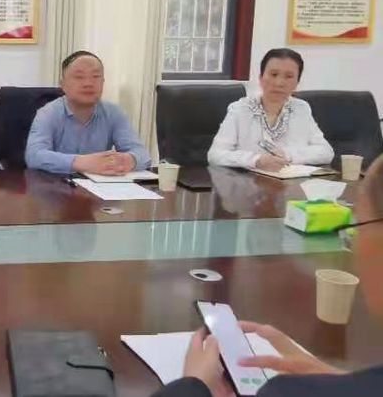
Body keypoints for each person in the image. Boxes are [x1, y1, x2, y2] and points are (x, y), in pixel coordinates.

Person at [153, 152, 383, 396]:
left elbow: (322, 149)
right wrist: (343, 382)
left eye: (356, 225)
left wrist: (192, 386)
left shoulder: (287, 392)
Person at [25, 50, 151, 175]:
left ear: (103, 82)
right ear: (63, 85)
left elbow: (142, 154)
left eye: (95, 77)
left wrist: (128, 160)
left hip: (101, 185)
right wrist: (82, 163)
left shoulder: (113, 112)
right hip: (56, 184)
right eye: (79, 77)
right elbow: (34, 156)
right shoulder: (48, 113)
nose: (88, 83)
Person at [208, 48, 333, 172]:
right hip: (248, 182)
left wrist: (288, 155)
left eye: (289, 76)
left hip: (292, 181)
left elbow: (326, 152)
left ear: (297, 83)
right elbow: (215, 155)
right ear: (261, 78)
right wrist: (256, 160)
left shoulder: (301, 108)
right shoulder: (240, 109)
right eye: (273, 75)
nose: (279, 83)